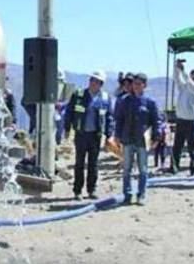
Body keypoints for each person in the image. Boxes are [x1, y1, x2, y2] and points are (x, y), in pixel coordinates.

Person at [110, 73, 162, 205]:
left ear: (144, 85)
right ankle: (127, 194)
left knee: (143, 169)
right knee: (127, 168)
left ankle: (141, 194)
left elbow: (156, 121)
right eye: (134, 84)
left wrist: (156, 137)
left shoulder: (150, 103)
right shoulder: (124, 101)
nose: (136, 86)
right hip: (127, 139)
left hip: (142, 141)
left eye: (139, 84)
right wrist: (117, 136)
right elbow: (119, 120)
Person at [64, 71, 114, 201]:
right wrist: (67, 128)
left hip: (95, 136)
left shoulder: (104, 98)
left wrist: (109, 135)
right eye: (92, 80)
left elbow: (109, 117)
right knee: (79, 163)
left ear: (101, 84)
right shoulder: (79, 95)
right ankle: (77, 191)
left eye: (97, 81)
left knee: (93, 164)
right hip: (81, 134)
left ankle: (91, 190)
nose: (93, 83)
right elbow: (69, 111)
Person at [171, 59, 194, 175]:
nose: (192, 79)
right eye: (192, 77)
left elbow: (190, 84)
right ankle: (174, 167)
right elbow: (177, 79)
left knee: (192, 146)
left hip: (191, 121)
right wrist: (177, 68)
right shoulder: (184, 87)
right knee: (177, 145)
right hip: (180, 119)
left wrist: (184, 72)